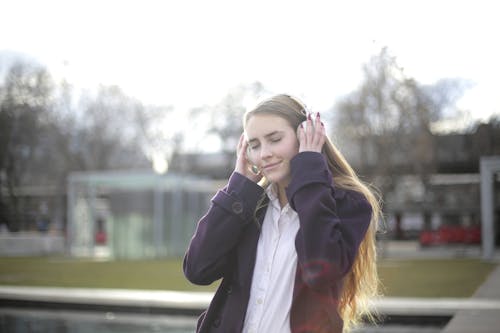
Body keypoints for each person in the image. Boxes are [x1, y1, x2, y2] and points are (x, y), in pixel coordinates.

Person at [183, 94, 381, 333]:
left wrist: (309, 169)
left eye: (275, 139)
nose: (264, 153)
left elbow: (321, 274)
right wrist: (236, 189)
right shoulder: (249, 206)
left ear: (305, 135)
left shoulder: (348, 203)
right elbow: (197, 269)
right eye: (254, 145)